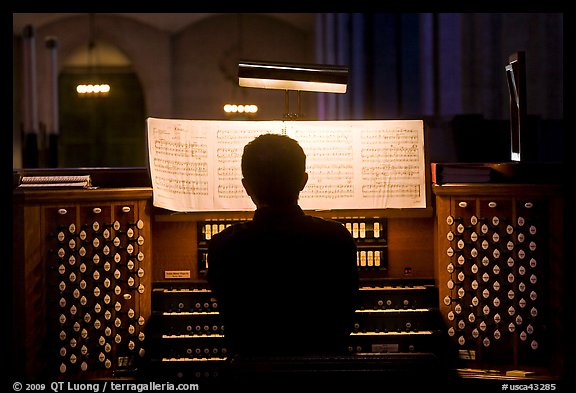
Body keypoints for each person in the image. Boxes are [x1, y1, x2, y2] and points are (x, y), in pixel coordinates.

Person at [207, 133, 359, 361]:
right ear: (303, 181)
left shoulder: (224, 244)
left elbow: (231, 320)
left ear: (246, 187)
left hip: (251, 373)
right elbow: (345, 317)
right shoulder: (337, 238)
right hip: (322, 370)